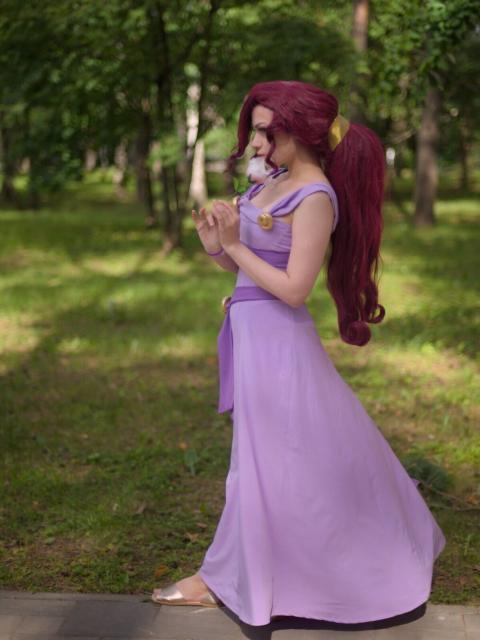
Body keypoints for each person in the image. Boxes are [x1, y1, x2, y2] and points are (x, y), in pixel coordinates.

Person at [151, 80, 446, 627]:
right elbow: (238, 268)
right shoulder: (276, 182)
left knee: (272, 466)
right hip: (253, 338)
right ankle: (246, 572)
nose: (256, 144)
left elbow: (293, 288)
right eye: (256, 131)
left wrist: (237, 245)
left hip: (281, 344)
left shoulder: (314, 197)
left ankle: (241, 576)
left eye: (265, 131)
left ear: (301, 131)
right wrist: (217, 242)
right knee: (265, 466)